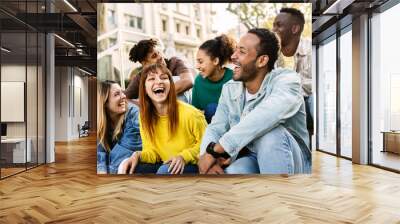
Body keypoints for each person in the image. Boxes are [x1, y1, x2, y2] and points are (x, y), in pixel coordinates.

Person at [198, 28, 311, 175]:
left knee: (270, 135)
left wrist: (219, 148)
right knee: (233, 172)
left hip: (291, 159)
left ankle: (283, 195)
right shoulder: (230, 89)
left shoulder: (287, 81)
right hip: (250, 155)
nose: (233, 56)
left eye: (242, 52)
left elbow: (267, 114)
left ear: (262, 60)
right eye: (236, 50)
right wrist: (206, 156)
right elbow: (216, 127)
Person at [120, 63, 207, 175]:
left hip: (193, 164)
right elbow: (153, 152)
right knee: (131, 168)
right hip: (165, 163)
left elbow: (207, 145)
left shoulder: (191, 114)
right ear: (145, 89)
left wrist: (183, 157)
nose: (159, 82)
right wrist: (137, 155)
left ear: (170, 85)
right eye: (151, 79)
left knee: (164, 171)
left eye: (164, 78)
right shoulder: (144, 118)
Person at [273, 7, 313, 144]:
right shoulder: (270, 53)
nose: (274, 30)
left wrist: (290, 86)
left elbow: (312, 86)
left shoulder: (310, 49)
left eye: (279, 26)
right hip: (278, 101)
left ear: (295, 29)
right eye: (274, 25)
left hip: (305, 100)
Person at [125, 39, 194, 103]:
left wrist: (156, 95)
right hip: (156, 113)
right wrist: (141, 103)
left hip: (182, 107)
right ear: (145, 64)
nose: (160, 57)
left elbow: (188, 81)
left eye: (158, 53)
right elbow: (125, 98)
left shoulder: (174, 62)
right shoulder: (140, 77)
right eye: (154, 56)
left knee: (175, 80)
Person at [97, 80, 142, 174]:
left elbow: (128, 148)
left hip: (139, 161)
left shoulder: (134, 114)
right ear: (105, 102)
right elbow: (99, 154)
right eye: (117, 94)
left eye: (122, 92)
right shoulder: (101, 124)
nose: (124, 96)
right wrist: (101, 171)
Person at [192, 34, 236, 123]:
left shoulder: (234, 78)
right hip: (209, 128)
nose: (197, 66)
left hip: (232, 125)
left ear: (215, 61)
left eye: (201, 62)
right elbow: (196, 112)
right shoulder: (198, 81)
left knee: (214, 108)